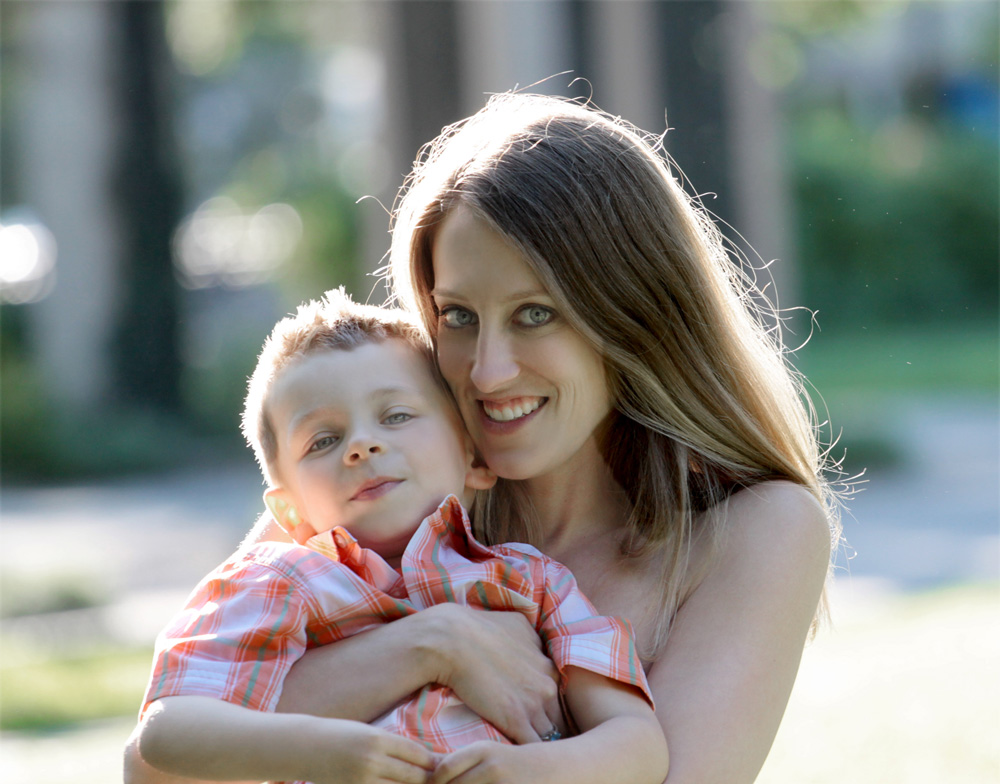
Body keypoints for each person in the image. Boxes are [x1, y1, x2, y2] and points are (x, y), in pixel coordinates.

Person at [126, 91, 840, 784]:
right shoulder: (377, 481)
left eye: (535, 314)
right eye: (459, 317)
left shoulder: (756, 530)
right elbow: (155, 770)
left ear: (633, 313)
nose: (488, 372)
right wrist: (432, 646)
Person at [131, 289, 668, 784]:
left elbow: (638, 742)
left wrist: (535, 770)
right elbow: (166, 730)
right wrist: (317, 747)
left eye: (396, 415)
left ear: (474, 456)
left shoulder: (534, 581)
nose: (362, 445)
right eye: (323, 441)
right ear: (289, 510)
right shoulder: (276, 582)